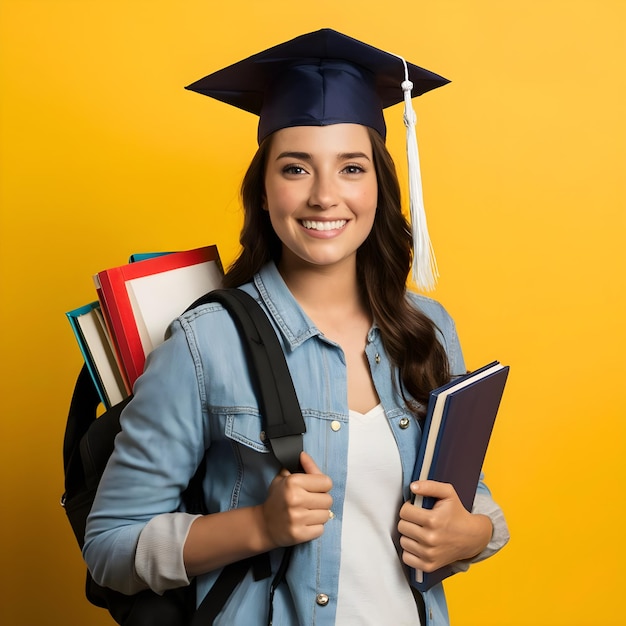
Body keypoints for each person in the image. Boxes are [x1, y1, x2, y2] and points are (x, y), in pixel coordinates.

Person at [83, 28, 509, 625]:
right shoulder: (208, 343)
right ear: (263, 189)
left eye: (352, 168)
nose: (325, 196)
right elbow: (108, 548)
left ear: (380, 187)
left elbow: (469, 496)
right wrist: (257, 525)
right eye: (296, 169)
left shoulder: (428, 330)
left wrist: (474, 533)